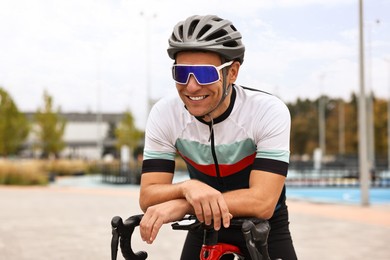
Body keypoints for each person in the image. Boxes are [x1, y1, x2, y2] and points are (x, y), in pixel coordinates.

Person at [139, 14, 297, 260]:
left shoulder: (267, 111)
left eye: (204, 74)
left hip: (264, 226)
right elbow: (148, 195)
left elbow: (262, 201)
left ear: (232, 73)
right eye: (182, 73)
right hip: (205, 224)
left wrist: (184, 204)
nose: (191, 86)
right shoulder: (164, 114)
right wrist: (190, 187)